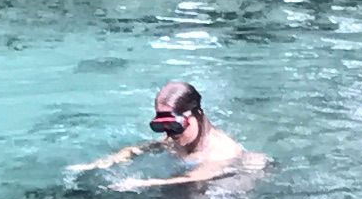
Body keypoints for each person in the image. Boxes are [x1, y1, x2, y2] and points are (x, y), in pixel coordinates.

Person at [72, 81, 265, 190]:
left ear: (197, 114)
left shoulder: (221, 151)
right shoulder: (179, 138)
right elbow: (141, 149)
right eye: (162, 127)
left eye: (175, 126)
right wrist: (106, 161)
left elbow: (194, 178)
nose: (170, 135)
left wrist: (141, 183)